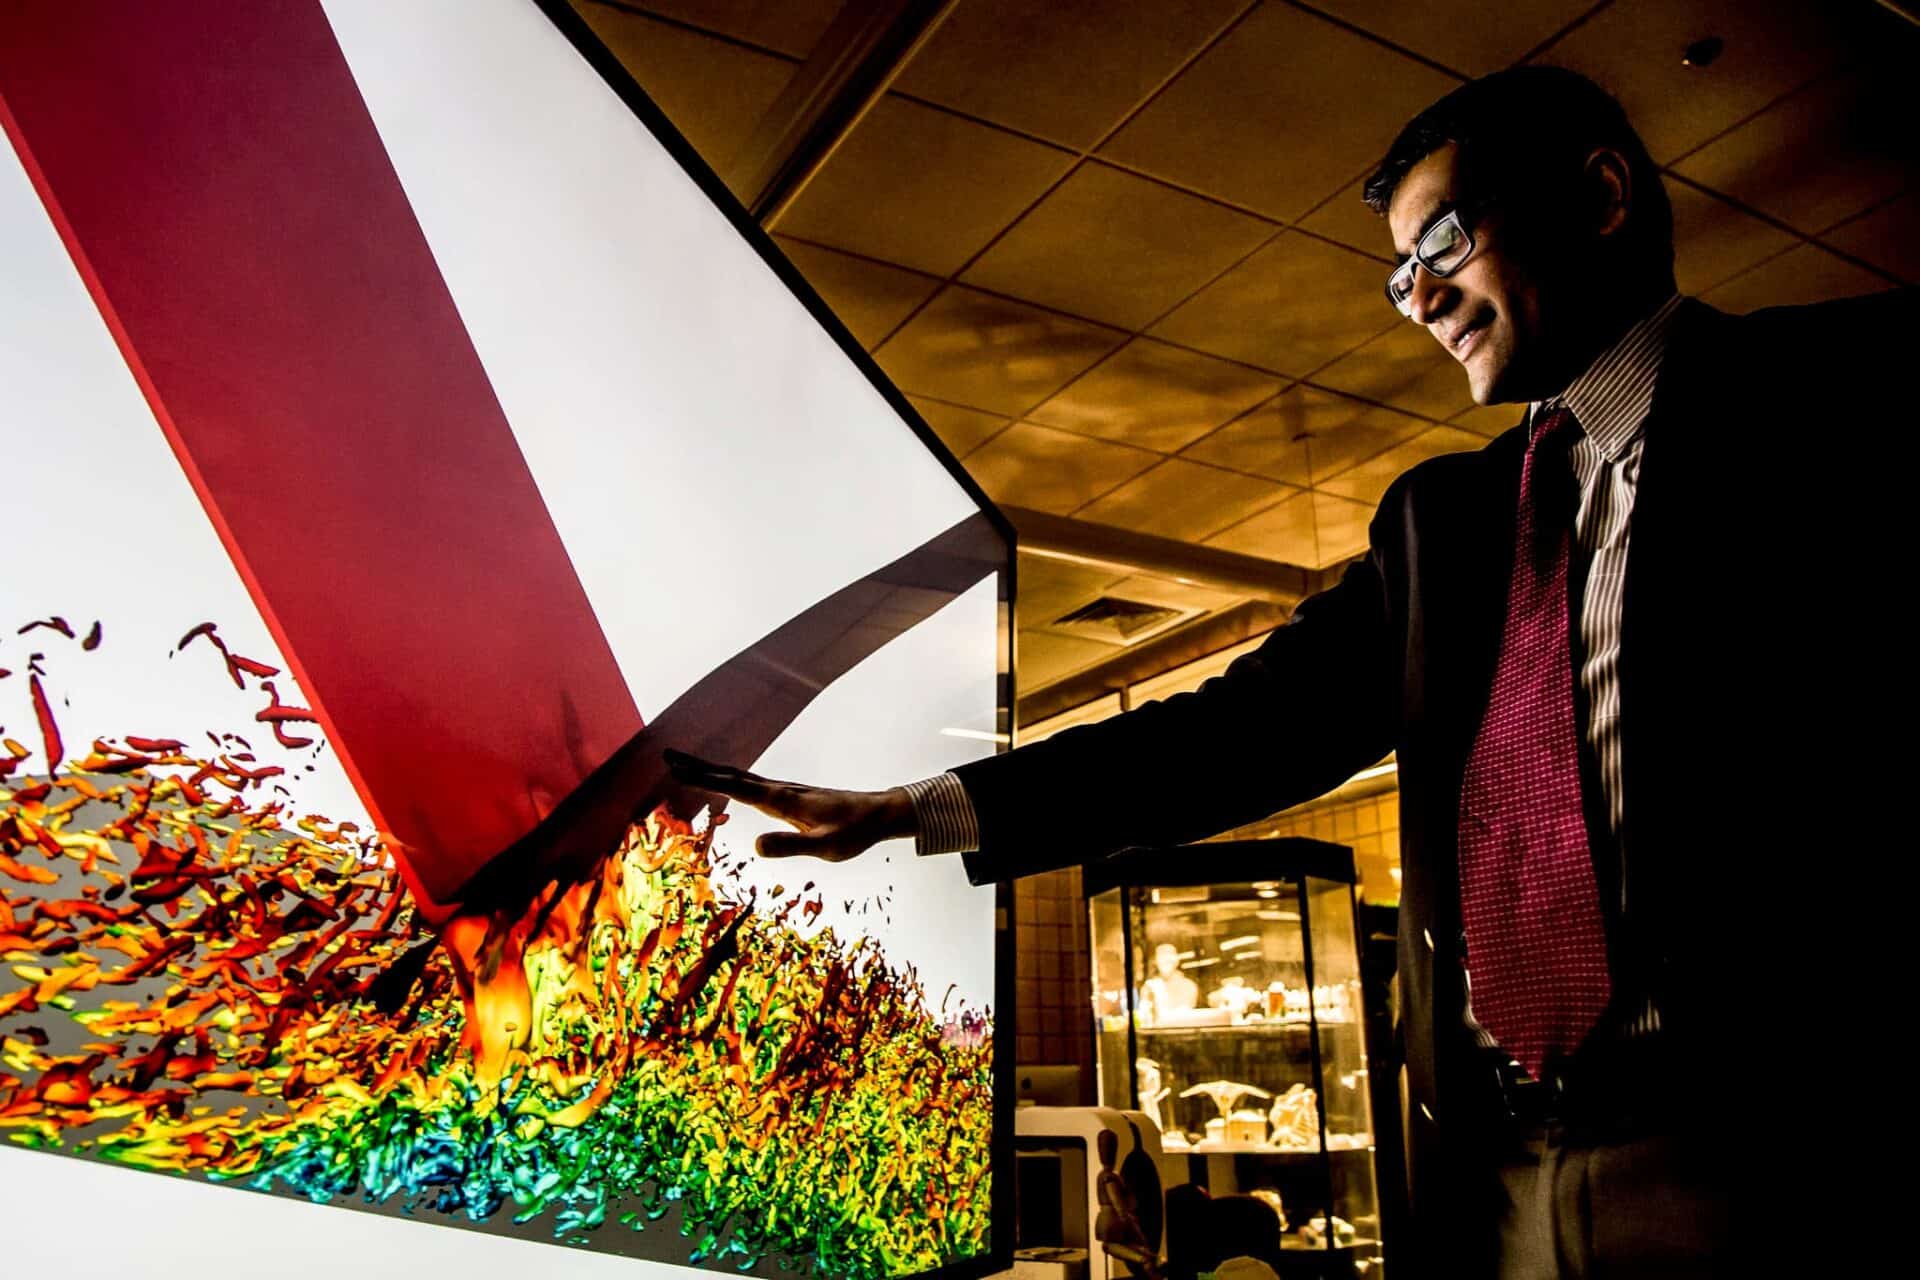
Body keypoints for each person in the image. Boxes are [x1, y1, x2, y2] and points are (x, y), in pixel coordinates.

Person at [668, 66, 1914, 1277]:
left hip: (1770, 1150)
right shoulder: (1445, 523)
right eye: (1399, 275)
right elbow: (1236, 730)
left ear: (1600, 197)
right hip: (1495, 1176)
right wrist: (921, 807)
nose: (1420, 298)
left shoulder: (1845, 397)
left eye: (1446, 242)